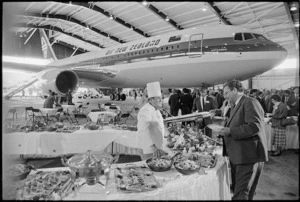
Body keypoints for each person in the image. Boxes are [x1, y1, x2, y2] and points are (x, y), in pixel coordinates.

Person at [218, 80, 268, 200]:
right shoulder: (236, 105)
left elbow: (254, 126)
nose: (225, 97)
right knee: (241, 191)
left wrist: (230, 131)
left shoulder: (250, 102)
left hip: (247, 156)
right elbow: (236, 123)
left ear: (235, 90)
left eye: (226, 93)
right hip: (238, 155)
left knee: (241, 193)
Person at [137, 81, 168, 160]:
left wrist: (168, 135)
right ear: (150, 100)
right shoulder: (145, 110)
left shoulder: (156, 109)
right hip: (149, 149)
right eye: (158, 98)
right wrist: (155, 147)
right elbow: (144, 131)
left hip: (157, 146)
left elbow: (159, 126)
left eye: (161, 98)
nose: (161, 100)